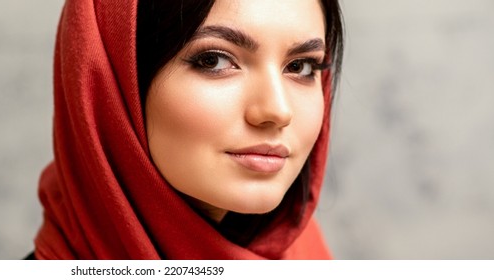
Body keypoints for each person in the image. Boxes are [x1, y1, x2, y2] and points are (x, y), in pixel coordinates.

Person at [29, 0, 344, 259]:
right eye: (214, 60)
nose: (278, 111)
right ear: (112, 82)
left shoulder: (307, 257)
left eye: (301, 66)